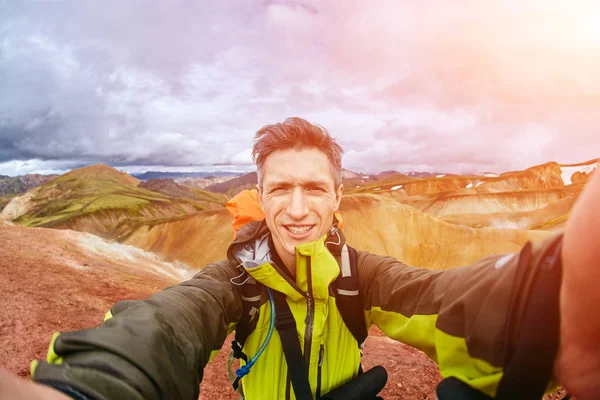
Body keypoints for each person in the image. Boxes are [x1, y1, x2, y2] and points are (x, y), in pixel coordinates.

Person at [1, 117, 599, 400]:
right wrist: (95, 385)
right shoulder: (234, 282)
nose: (296, 208)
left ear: (339, 198)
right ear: (260, 198)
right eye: (280, 189)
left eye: (314, 188)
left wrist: (547, 292)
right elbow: (167, 323)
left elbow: (441, 299)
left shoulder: (363, 277)